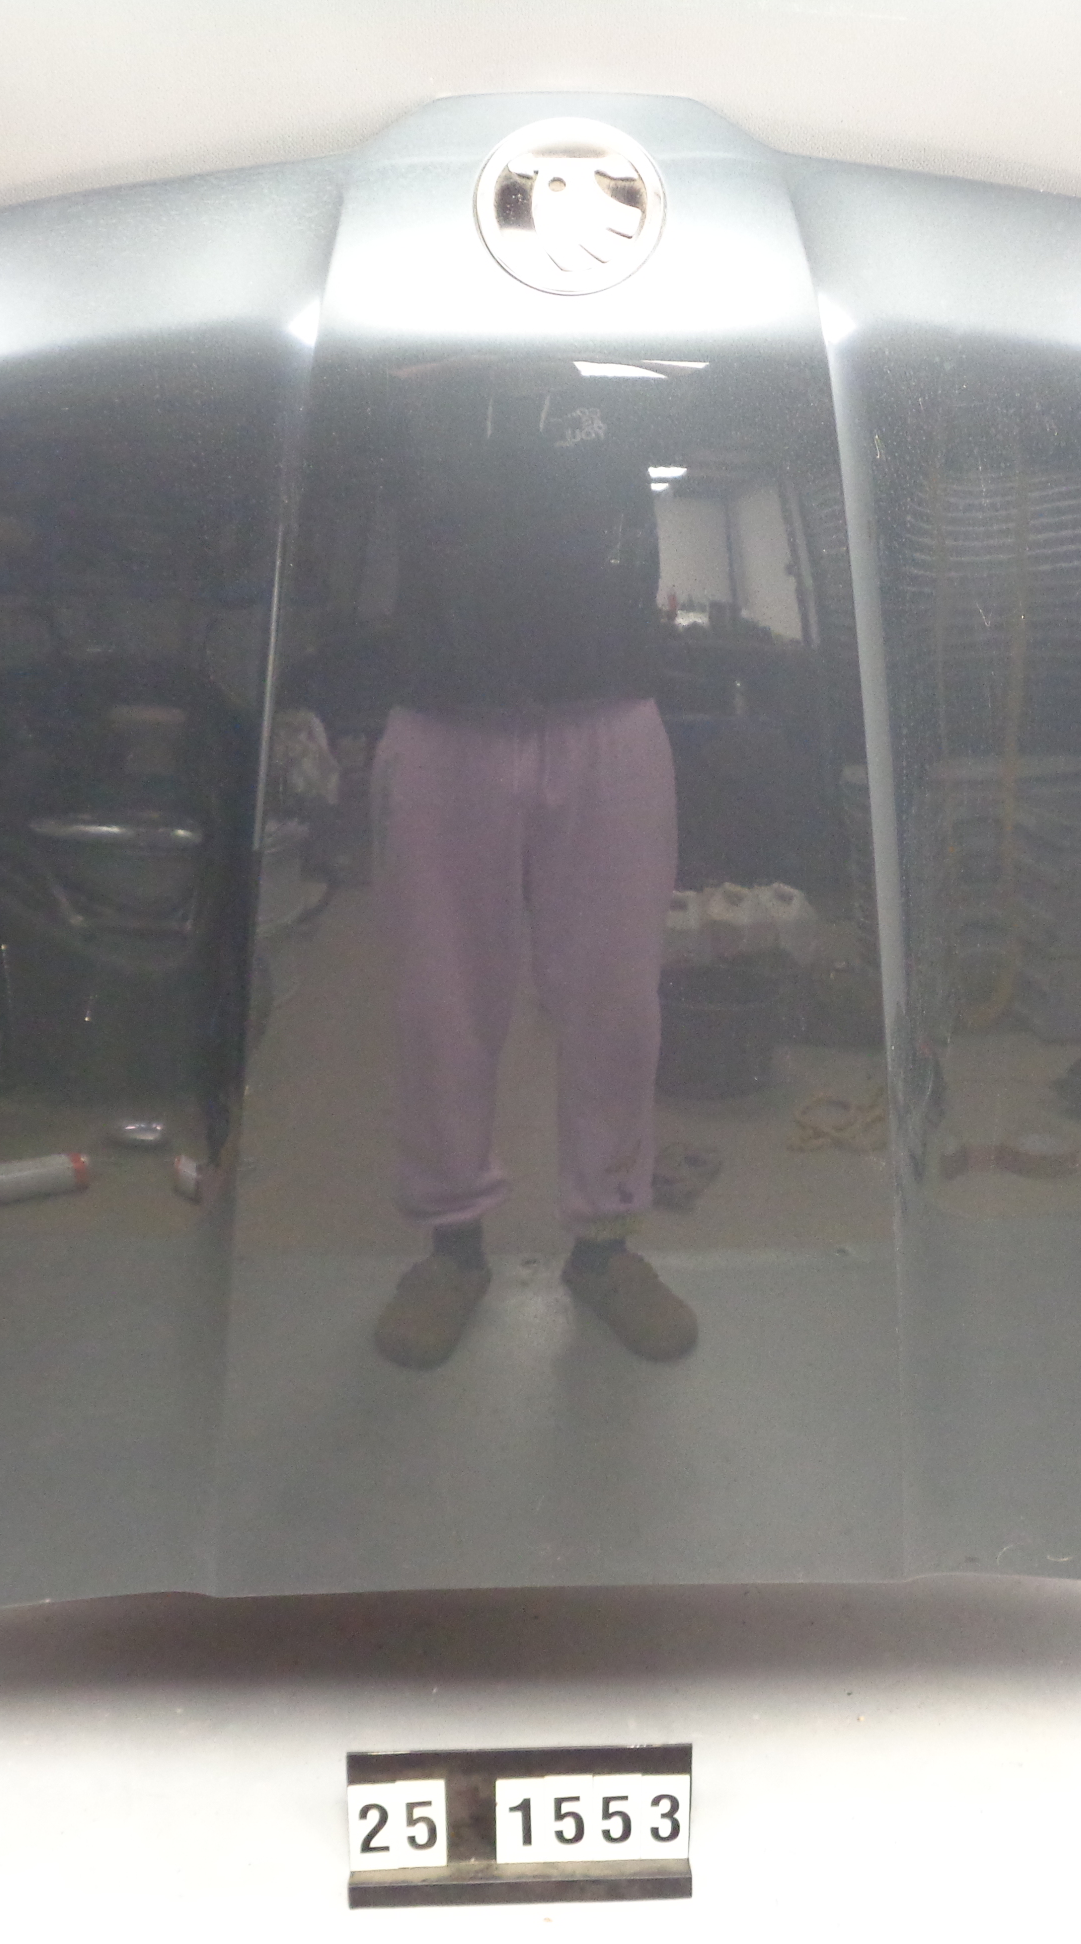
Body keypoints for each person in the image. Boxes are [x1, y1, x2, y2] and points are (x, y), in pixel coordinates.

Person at [367, 367, 696, 1370]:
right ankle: (451, 1250)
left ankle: (604, 1247)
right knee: (441, 1002)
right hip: (443, 712)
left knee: (616, 1000)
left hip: (610, 708)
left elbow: (724, 383)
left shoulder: (625, 354)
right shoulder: (412, 368)